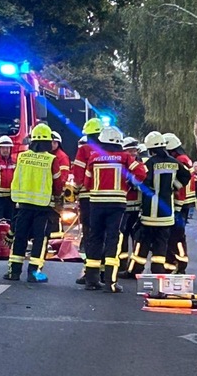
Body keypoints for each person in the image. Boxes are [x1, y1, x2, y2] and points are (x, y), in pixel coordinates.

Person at [80, 127, 147, 292]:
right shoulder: (124, 157)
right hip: (116, 206)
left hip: (95, 204)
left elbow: (87, 182)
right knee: (113, 241)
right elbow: (141, 173)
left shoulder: (94, 157)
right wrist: (131, 182)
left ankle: (91, 280)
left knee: (94, 239)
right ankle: (111, 282)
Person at [3, 124, 64, 282]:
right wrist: (58, 197)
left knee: (20, 237)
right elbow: (58, 183)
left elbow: (15, 178)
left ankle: (14, 272)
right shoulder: (52, 159)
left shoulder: (22, 157)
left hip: (23, 204)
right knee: (40, 239)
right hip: (43, 206)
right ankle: (34, 273)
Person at [127, 132, 190, 275]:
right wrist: (174, 186)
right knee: (161, 245)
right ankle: (158, 272)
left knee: (142, 243)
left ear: (150, 148)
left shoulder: (149, 163)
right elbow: (186, 175)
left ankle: (136, 271)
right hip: (167, 214)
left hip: (150, 213)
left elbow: (141, 180)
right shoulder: (174, 162)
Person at [72, 118, 103, 284]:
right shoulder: (111, 150)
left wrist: (75, 189)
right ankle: (106, 272)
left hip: (87, 197)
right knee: (105, 234)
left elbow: (78, 173)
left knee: (90, 234)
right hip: (107, 198)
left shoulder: (84, 150)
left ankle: (91, 273)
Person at [164, 133, 196, 274]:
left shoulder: (179, 160)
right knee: (177, 235)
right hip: (184, 202)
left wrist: (171, 188)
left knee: (175, 236)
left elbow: (178, 182)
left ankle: (178, 265)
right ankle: (176, 265)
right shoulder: (185, 159)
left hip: (179, 203)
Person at [118, 136, 142, 277]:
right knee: (122, 236)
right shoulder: (122, 164)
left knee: (136, 238)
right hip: (124, 206)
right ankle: (122, 264)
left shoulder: (139, 165)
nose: (133, 154)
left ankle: (134, 267)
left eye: (135, 151)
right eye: (130, 151)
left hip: (136, 207)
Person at [47, 131, 71, 238]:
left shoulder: (62, 157)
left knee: (54, 218)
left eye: (54, 142)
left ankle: (54, 241)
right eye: (50, 142)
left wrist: (57, 189)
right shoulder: (47, 156)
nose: (52, 144)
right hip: (47, 192)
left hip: (56, 193)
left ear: (58, 143)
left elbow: (63, 176)